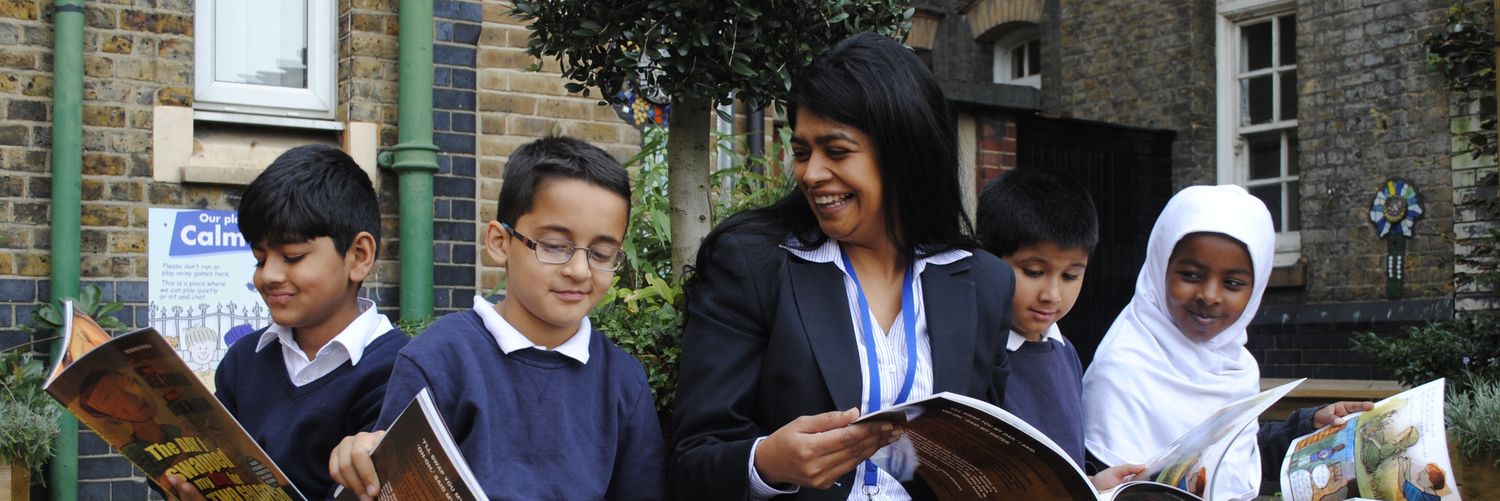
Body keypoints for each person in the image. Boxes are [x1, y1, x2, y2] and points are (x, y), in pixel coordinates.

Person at [669, 32, 1015, 500]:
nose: (811, 174)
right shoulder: (753, 265)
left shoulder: (983, 282)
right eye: (801, 152)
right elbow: (691, 461)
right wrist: (767, 463)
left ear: (905, 154)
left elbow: (985, 459)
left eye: (836, 151)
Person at [327, 136, 666, 500]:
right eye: (554, 246)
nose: (580, 270)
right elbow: (387, 484)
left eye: (601, 254)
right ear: (499, 242)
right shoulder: (440, 358)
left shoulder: (623, 381)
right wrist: (360, 459)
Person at [1080, 185, 1370, 500]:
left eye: (1232, 283)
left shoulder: (1236, 366)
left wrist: (1309, 428)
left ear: (1256, 288)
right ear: (1159, 267)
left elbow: (1232, 461)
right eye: (1191, 275)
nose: (1209, 296)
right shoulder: (1123, 368)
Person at [169, 144, 409, 499]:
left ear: (359, 256)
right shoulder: (243, 361)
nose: (268, 275)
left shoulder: (400, 371)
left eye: (293, 256)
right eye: (259, 259)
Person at [975, 168, 1145, 490]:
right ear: (988, 259)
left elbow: (1066, 470)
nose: (1052, 295)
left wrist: (1095, 484)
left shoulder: (1066, 353)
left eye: (1070, 276)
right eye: (1033, 271)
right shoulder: (973, 355)